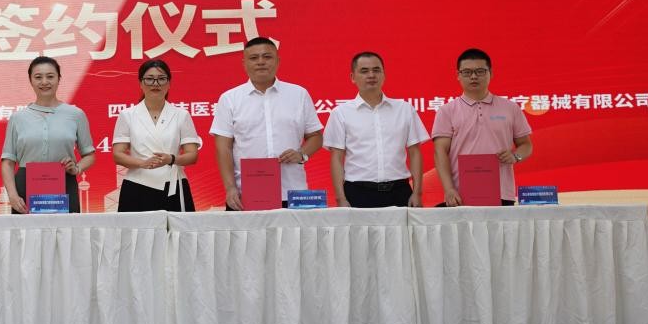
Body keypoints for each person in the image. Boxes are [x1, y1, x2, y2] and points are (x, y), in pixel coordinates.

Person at [211, 37, 323, 210]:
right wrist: (230, 188)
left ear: (278, 61)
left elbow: (316, 136)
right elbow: (223, 148)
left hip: (293, 191)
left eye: (267, 57)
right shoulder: (229, 99)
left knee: (295, 229)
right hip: (246, 194)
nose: (261, 62)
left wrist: (301, 154)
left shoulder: (298, 94)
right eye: (254, 58)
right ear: (244, 64)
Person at [325, 52, 429, 208]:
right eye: (364, 71)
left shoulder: (404, 109)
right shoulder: (340, 113)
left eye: (376, 70)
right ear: (353, 77)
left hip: (399, 191)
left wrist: (417, 193)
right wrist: (340, 198)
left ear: (384, 75)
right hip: (357, 193)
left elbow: (415, 153)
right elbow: (337, 158)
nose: (371, 75)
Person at [432, 48, 533, 206]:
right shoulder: (447, 111)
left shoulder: (510, 108)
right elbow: (440, 153)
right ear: (458, 75)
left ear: (490, 73)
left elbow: (526, 145)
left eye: (480, 71)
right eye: (467, 72)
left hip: (501, 192)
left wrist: (515, 157)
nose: (473, 76)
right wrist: (449, 189)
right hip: (461, 195)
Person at [1, 56, 96, 213]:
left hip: (65, 183)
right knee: (27, 230)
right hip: (25, 187)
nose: (44, 82)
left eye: (50, 76)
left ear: (59, 79)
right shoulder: (18, 118)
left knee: (65, 229)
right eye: (38, 77)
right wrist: (12, 195)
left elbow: (90, 155)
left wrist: (77, 168)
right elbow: (7, 162)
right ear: (30, 80)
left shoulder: (76, 114)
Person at [112, 59, 202, 212]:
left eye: (161, 79)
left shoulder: (181, 115)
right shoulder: (127, 115)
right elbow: (118, 154)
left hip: (173, 183)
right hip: (137, 184)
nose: (155, 84)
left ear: (169, 83)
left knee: (176, 228)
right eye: (149, 79)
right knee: (135, 228)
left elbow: (192, 155)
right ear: (141, 83)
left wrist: (171, 159)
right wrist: (143, 163)